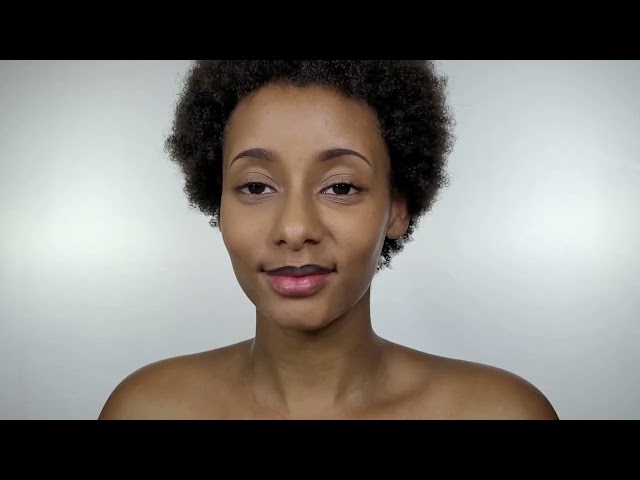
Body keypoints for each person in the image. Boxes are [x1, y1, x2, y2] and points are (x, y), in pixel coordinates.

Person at [98, 60, 558, 420]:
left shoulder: (500, 412)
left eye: (340, 187)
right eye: (256, 186)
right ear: (217, 202)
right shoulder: (146, 409)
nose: (295, 229)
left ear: (397, 209)